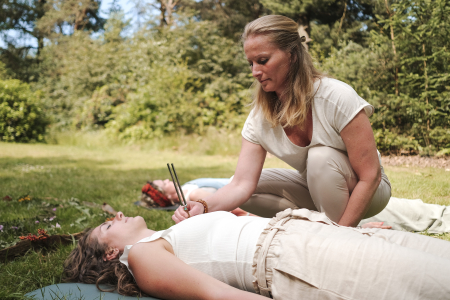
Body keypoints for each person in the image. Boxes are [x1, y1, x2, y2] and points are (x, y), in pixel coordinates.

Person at [173, 15, 391, 227]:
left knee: (320, 157)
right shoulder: (260, 117)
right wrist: (203, 205)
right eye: (250, 63)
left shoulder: (335, 96)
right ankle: (330, 226)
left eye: (263, 60)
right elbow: (241, 184)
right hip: (317, 190)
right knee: (247, 186)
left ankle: (339, 233)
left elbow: (370, 175)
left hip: (371, 189)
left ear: (292, 55)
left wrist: (343, 236)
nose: (255, 72)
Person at [64, 210, 450, 299]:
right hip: (300, 259)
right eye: (107, 226)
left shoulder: (167, 233)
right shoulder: (142, 258)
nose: (115, 215)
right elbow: (218, 295)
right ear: (113, 252)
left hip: (315, 233)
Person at [150, 175, 450, 233]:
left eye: (164, 180)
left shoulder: (196, 190)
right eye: (162, 185)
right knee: (398, 211)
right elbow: (242, 204)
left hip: (321, 203)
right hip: (301, 217)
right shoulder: (194, 193)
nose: (166, 182)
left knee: (396, 209)